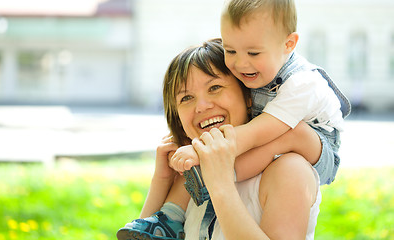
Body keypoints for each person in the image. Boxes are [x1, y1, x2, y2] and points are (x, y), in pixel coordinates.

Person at [117, 39, 321, 240]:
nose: (202, 106)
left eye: (214, 87)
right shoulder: (189, 178)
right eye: (186, 98)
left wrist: (220, 184)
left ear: (249, 97)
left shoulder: (288, 169)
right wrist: (161, 180)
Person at [171, 0, 350, 187]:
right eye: (230, 50)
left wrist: (202, 150)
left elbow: (256, 133)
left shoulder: (302, 83)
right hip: (273, 135)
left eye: (253, 53)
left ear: (288, 44)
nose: (240, 63)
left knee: (293, 133)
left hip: (321, 151)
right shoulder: (258, 70)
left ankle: (222, 176)